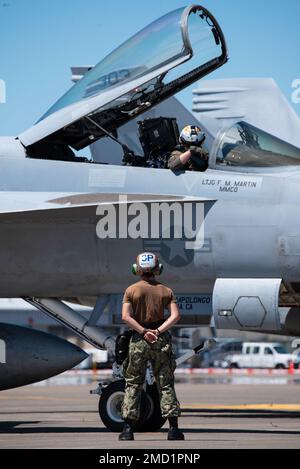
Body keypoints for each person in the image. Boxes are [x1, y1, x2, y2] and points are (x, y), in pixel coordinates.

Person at [119, 252, 184, 441]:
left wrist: (143, 331)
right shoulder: (166, 291)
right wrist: (157, 331)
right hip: (160, 340)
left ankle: (128, 430)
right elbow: (175, 316)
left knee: (133, 383)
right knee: (165, 384)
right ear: (158, 269)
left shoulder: (131, 290)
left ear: (136, 269)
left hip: (139, 341)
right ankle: (173, 430)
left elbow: (125, 316)